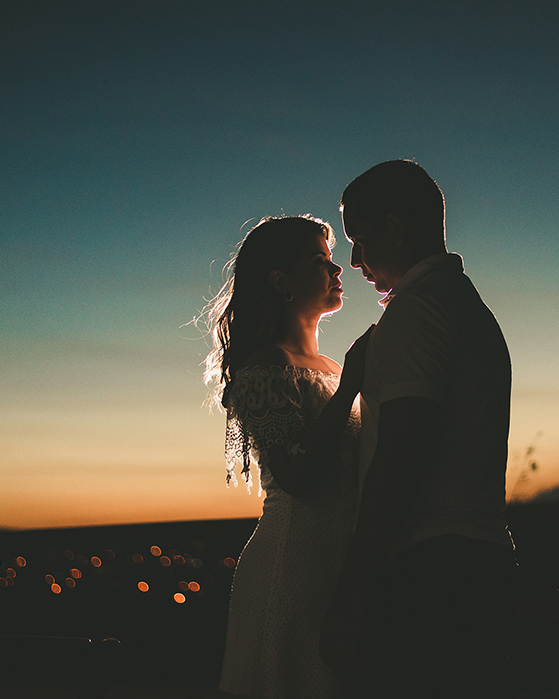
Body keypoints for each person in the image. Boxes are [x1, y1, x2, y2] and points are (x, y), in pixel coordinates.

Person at [320, 160, 516, 697]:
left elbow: (399, 458)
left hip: (433, 569)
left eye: (360, 240)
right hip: (477, 559)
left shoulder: (417, 311)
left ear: (396, 229)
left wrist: (352, 592)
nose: (354, 260)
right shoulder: (466, 305)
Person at [204, 215, 373, 699]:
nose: (337, 270)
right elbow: (296, 475)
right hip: (293, 565)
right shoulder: (265, 368)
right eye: (320, 261)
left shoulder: (334, 368)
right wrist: (351, 387)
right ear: (281, 281)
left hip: (340, 566)